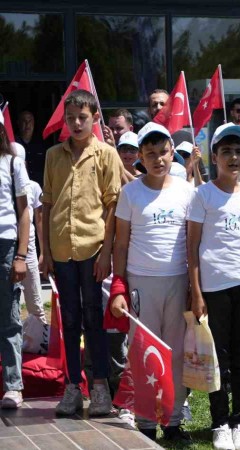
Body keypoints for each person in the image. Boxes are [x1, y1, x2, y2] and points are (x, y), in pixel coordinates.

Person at [108, 122, 193, 442]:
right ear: (141, 158)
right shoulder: (130, 193)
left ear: (172, 154)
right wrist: (119, 286)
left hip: (178, 280)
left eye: (163, 152)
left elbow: (193, 242)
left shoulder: (186, 191)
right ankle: (146, 422)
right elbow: (120, 244)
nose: (158, 159)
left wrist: (193, 286)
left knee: (175, 352)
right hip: (141, 283)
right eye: (151, 154)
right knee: (144, 352)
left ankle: (173, 421)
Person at [40, 89, 120, 417]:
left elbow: (113, 206)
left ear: (95, 118)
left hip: (92, 248)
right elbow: (47, 204)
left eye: (82, 118)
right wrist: (45, 252)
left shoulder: (106, 155)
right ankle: (73, 386)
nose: (76, 124)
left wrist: (106, 253)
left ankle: (100, 386)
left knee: (93, 318)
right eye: (70, 118)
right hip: (61, 250)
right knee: (70, 319)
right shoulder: (53, 155)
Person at [187, 122, 240, 450]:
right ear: (215, 157)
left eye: (238, 151)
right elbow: (192, 248)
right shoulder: (202, 195)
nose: (233, 157)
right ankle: (219, 423)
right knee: (217, 358)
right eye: (226, 152)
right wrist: (197, 293)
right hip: (214, 289)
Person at [0, 114, 30, 409]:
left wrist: (21, 255)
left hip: (5, 245)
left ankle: (13, 386)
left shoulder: (12, 163)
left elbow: (24, 212)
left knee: (8, 317)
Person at [11, 144, 45, 326]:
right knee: (8, 303)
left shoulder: (33, 187)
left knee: (35, 301)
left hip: (29, 250)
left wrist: (44, 252)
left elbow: (39, 222)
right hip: (7, 247)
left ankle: (39, 337)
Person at [15, 111, 46, 184]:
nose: (27, 124)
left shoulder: (41, 144)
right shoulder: (13, 144)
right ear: (18, 123)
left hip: (40, 186)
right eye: (24, 121)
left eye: (30, 120)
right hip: (20, 186)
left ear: (34, 122)